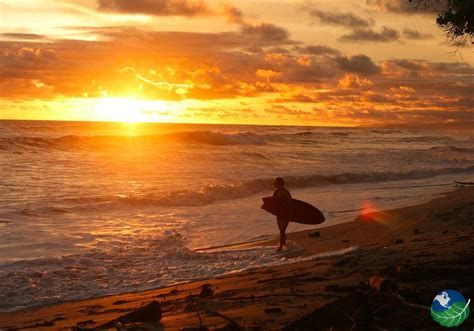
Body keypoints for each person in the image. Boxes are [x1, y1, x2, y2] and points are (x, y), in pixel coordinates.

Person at [273, 177, 292, 251]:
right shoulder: (276, 191)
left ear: (279, 183)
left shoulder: (285, 192)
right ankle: (284, 244)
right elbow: (273, 203)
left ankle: (280, 247)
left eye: (275, 182)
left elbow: (290, 203)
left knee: (282, 230)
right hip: (279, 214)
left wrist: (290, 214)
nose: (274, 183)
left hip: (286, 213)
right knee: (281, 230)